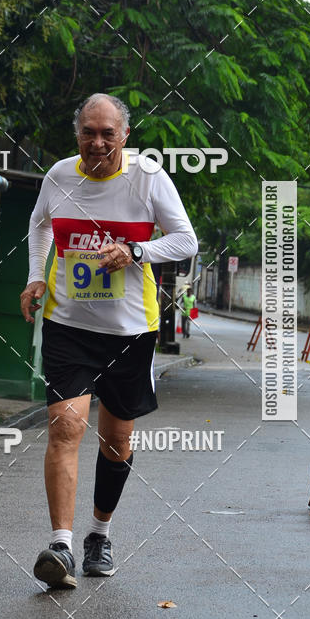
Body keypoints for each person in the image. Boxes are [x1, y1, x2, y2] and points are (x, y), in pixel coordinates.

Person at [20, 93, 198, 589]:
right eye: (88, 132)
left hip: (129, 332)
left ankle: (99, 533)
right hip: (68, 326)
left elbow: (186, 241)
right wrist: (37, 276)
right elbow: (39, 226)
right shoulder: (59, 176)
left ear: (125, 135)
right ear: (77, 134)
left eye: (108, 133)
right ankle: (61, 546)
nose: (97, 142)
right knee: (65, 427)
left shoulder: (147, 177)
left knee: (117, 440)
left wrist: (136, 250)